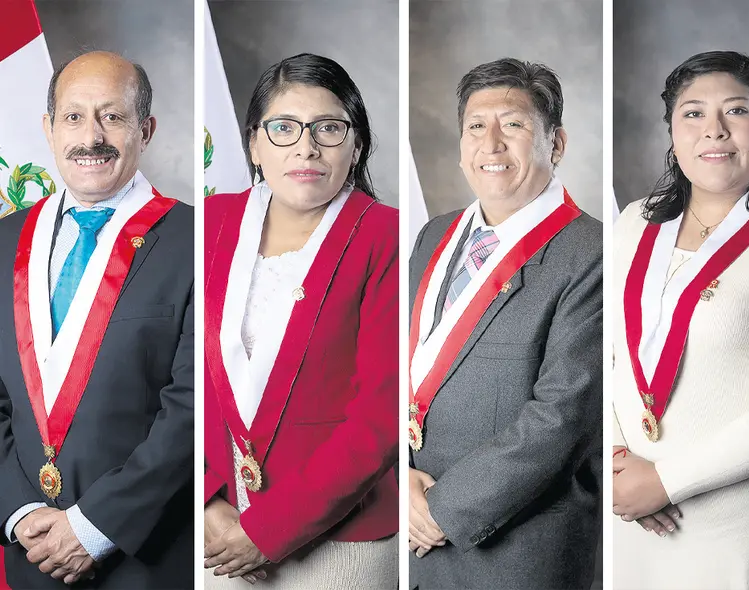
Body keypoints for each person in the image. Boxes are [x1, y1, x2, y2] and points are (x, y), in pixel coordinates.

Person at [202, 53, 398, 589]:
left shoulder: (390, 238)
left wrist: (267, 530)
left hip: (342, 542)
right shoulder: (208, 226)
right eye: (284, 128)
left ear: (356, 143)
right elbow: (171, 382)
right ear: (254, 144)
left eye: (329, 128)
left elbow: (380, 419)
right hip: (216, 530)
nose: (306, 147)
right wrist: (204, 498)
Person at [0, 51, 194, 588]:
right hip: (32, 557)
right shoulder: (3, 241)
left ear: (146, 129)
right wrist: (19, 514)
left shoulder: (199, 242)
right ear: (48, 127)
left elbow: (192, 411)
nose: (92, 137)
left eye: (112, 116)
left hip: (145, 559)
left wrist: (94, 528)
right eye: (74, 116)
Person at [407, 57, 602, 589]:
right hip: (410, 539)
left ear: (555, 143)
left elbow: (563, 417)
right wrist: (398, 481)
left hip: (516, 552)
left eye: (512, 125)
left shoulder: (595, 252)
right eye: (476, 126)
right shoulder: (433, 236)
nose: (490, 144)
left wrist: (440, 511)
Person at [611, 51, 749, 589]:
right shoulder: (633, 223)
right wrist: (620, 464)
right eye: (692, 113)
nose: (713, 130)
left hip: (738, 525)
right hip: (631, 519)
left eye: (736, 112)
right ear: (671, 132)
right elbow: (605, 358)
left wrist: (664, 483)